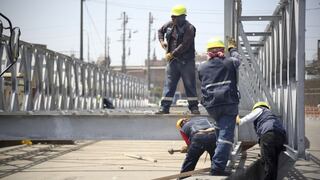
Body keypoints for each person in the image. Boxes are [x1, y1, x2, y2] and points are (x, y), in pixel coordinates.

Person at [197, 37, 241, 176]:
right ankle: (217, 168)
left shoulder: (201, 66)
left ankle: (218, 160)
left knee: (219, 131)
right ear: (222, 50)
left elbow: (201, 79)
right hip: (228, 104)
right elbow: (238, 59)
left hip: (212, 106)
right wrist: (232, 48)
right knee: (225, 137)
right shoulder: (230, 62)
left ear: (208, 52)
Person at [156, 4, 199, 115]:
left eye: (175, 16)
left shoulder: (190, 28)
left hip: (187, 62)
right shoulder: (170, 25)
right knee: (169, 84)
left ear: (182, 17)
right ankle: (164, 107)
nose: (172, 18)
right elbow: (160, 31)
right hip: (173, 62)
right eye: (172, 16)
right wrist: (162, 42)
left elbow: (185, 45)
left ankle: (194, 107)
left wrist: (172, 54)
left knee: (189, 84)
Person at [237, 102, 286, 180]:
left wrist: (240, 121)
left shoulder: (260, 109)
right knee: (273, 162)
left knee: (268, 162)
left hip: (269, 135)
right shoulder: (270, 115)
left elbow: (248, 117)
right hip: (280, 136)